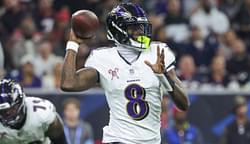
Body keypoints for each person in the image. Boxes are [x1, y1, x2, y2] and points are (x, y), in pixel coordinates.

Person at [61, 3, 189, 144]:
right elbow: (69, 83)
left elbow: (183, 104)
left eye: (141, 26)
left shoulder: (158, 52)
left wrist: (163, 75)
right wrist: (73, 44)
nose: (140, 32)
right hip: (117, 139)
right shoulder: (103, 58)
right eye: (134, 28)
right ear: (118, 30)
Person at [0, 79, 67, 144]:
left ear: (21, 103)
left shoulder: (41, 114)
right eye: (2, 111)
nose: (7, 113)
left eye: (11, 109)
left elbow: (59, 140)